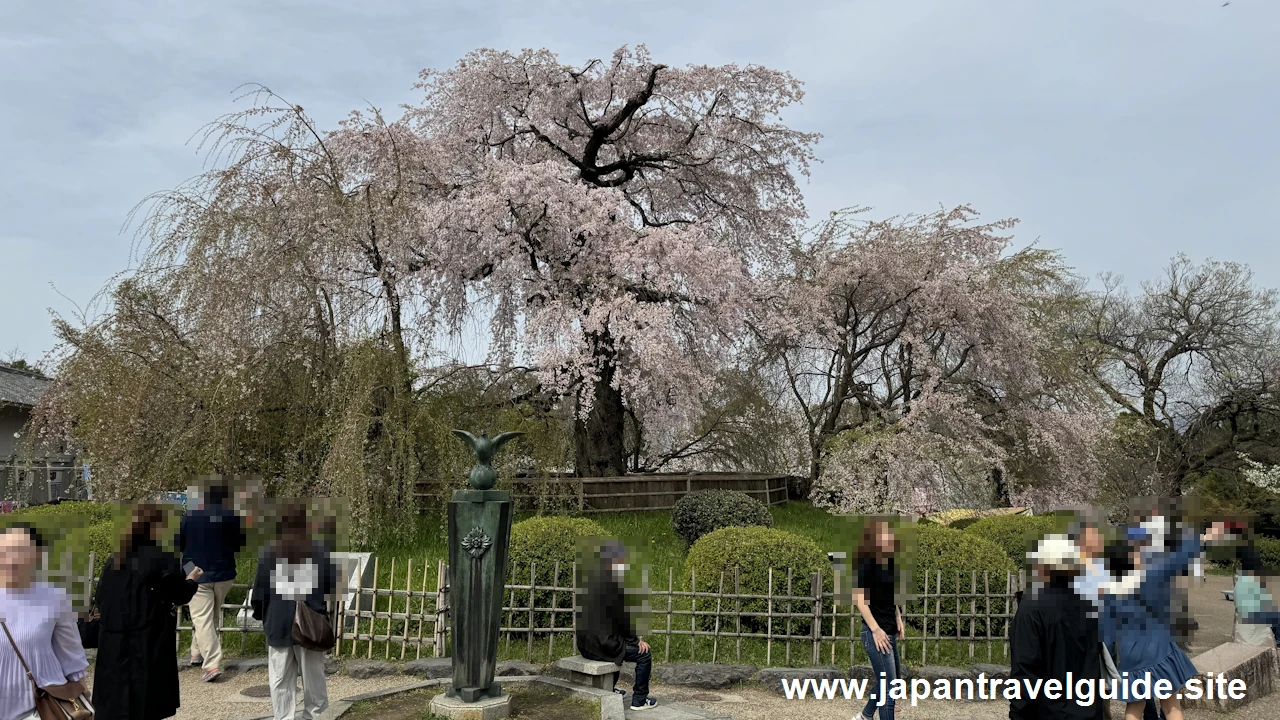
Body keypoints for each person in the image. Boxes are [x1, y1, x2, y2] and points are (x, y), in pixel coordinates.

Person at [1100, 522, 1225, 720]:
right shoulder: (1154, 573)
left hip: (1130, 654)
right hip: (1159, 649)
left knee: (1134, 708)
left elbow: (1106, 629)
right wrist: (1205, 538)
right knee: (1171, 707)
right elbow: (1182, 556)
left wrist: (1109, 661)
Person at [93, 503, 204, 720]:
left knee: (117, 707)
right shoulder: (160, 556)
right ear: (154, 527)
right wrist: (191, 580)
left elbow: (100, 597)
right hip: (147, 640)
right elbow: (178, 593)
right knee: (146, 705)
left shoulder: (115, 558)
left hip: (113, 644)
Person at [251, 502, 337, 720]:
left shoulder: (269, 551)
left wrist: (261, 614)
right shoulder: (320, 549)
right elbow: (330, 584)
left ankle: (284, 717)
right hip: (310, 620)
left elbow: (260, 589)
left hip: (278, 620)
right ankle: (314, 715)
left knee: (280, 678)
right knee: (313, 676)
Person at [1009, 534, 1104, 720]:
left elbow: (1026, 672)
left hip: (1049, 711)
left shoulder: (1032, 608)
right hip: (1088, 710)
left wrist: (1017, 714)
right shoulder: (1088, 603)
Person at [0, 524, 90, 720]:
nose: (10, 559)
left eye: (19, 551)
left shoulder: (54, 597)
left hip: (42, 707)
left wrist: (82, 701)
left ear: (37, 554)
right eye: (3, 551)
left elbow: (71, 656)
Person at [176, 482, 246, 682]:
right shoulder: (232, 516)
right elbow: (240, 544)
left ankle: (212, 664)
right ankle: (196, 653)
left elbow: (177, 543)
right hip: (225, 572)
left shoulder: (189, 515)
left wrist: (187, 567)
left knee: (202, 618)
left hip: (195, 571)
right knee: (211, 616)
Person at [575, 539, 656, 711]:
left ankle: (610, 690)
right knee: (644, 654)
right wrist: (636, 642)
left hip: (585, 645)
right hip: (603, 646)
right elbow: (623, 620)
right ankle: (640, 700)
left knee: (618, 645)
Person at [853, 519, 903, 720]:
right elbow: (860, 602)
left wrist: (898, 616)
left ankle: (865, 716)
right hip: (874, 633)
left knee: (892, 681)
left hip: (889, 630)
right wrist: (876, 630)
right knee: (889, 686)